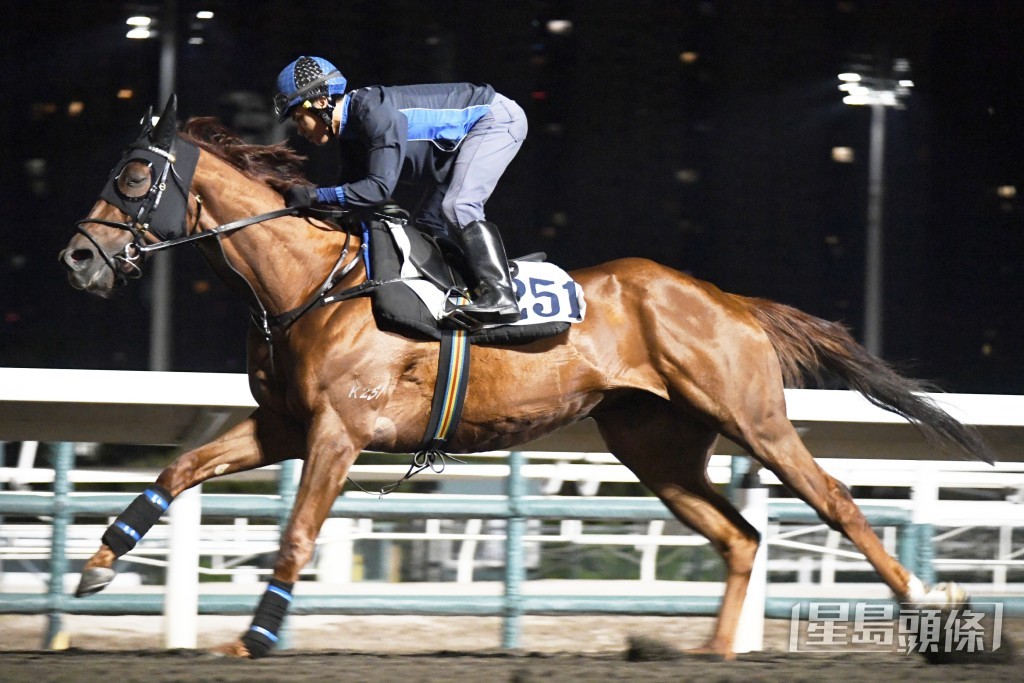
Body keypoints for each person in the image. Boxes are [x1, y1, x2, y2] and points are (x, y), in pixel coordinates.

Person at [273, 55, 527, 325]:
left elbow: (377, 189)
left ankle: (500, 295)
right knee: (428, 227)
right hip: (457, 148)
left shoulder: (373, 113)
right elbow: (350, 199)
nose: (300, 130)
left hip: (494, 120)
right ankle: (473, 282)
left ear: (321, 103)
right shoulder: (350, 133)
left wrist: (313, 195)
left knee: (458, 206)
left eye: (300, 118)